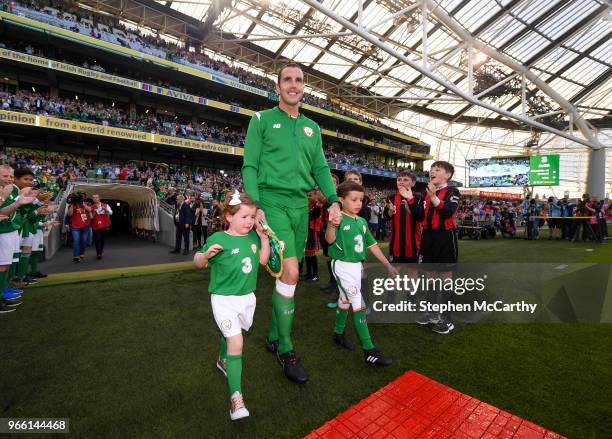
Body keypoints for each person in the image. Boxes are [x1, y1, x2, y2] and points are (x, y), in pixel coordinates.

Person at [242, 62, 341, 384]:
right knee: (293, 272)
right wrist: (256, 204)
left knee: (288, 277)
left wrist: (334, 200)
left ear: (304, 87)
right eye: (288, 79)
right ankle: (286, 348)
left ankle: (272, 334)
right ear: (278, 86)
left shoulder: (313, 128)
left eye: (299, 80)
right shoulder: (261, 120)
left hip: (301, 206)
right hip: (272, 202)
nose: (293, 85)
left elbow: (322, 169)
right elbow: (250, 166)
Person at [194, 191, 270, 421]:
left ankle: (222, 359)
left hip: (247, 299)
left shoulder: (253, 238)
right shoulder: (219, 239)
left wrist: (265, 240)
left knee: (230, 335)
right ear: (228, 216)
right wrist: (206, 255)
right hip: (223, 300)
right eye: (244, 217)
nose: (249, 222)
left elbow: (263, 261)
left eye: (252, 217)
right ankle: (236, 400)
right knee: (236, 341)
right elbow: (197, 262)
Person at [325, 181, 395, 365]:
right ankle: (369, 350)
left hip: (356, 267)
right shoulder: (337, 216)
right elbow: (329, 240)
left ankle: (338, 334)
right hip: (342, 266)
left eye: (361, 200)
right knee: (359, 303)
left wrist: (388, 265)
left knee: (345, 300)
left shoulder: (362, 221)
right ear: (341, 199)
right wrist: (332, 225)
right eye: (354, 199)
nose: (358, 203)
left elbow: (372, 245)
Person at [414, 161, 461, 335]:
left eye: (437, 169)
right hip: (428, 236)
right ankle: (432, 313)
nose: (432, 171)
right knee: (430, 276)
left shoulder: (452, 191)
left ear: (447, 175)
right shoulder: (426, 193)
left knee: (445, 278)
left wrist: (434, 197)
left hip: (444, 236)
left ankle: (447, 320)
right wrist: (410, 200)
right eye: (431, 169)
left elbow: (448, 212)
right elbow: (419, 216)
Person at [387, 170, 423, 264]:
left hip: (413, 243)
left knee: (412, 272)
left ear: (413, 183)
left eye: (405, 180)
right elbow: (386, 217)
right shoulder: (391, 197)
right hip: (395, 243)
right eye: (399, 179)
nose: (401, 181)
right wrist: (390, 212)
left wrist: (410, 210)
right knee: (394, 273)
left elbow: (420, 217)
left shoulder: (419, 197)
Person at [67, 191, 92, 262]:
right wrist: (72, 204)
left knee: (84, 241)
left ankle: (81, 252)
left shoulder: (87, 203)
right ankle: (76, 256)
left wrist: (82, 203)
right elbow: (70, 214)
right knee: (76, 241)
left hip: (85, 226)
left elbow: (90, 210)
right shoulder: (72, 205)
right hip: (75, 227)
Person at [91, 194, 112, 259]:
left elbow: (110, 213)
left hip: (104, 225)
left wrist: (105, 210)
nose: (95, 199)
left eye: (96, 197)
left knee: (103, 239)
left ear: (99, 198)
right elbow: (91, 217)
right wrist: (94, 213)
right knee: (97, 239)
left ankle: (100, 251)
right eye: (94, 198)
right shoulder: (92, 207)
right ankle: (99, 253)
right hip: (95, 225)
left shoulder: (105, 205)